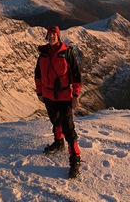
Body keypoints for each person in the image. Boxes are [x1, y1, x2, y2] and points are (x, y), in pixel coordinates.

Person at [35, 25, 83, 178]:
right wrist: (40, 92)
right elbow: (37, 75)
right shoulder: (42, 55)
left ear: (58, 36)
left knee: (68, 126)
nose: (52, 37)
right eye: (49, 34)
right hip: (48, 95)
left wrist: (75, 95)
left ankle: (75, 158)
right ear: (47, 36)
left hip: (64, 95)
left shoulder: (67, 53)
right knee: (55, 120)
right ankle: (58, 142)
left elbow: (76, 75)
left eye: (54, 34)